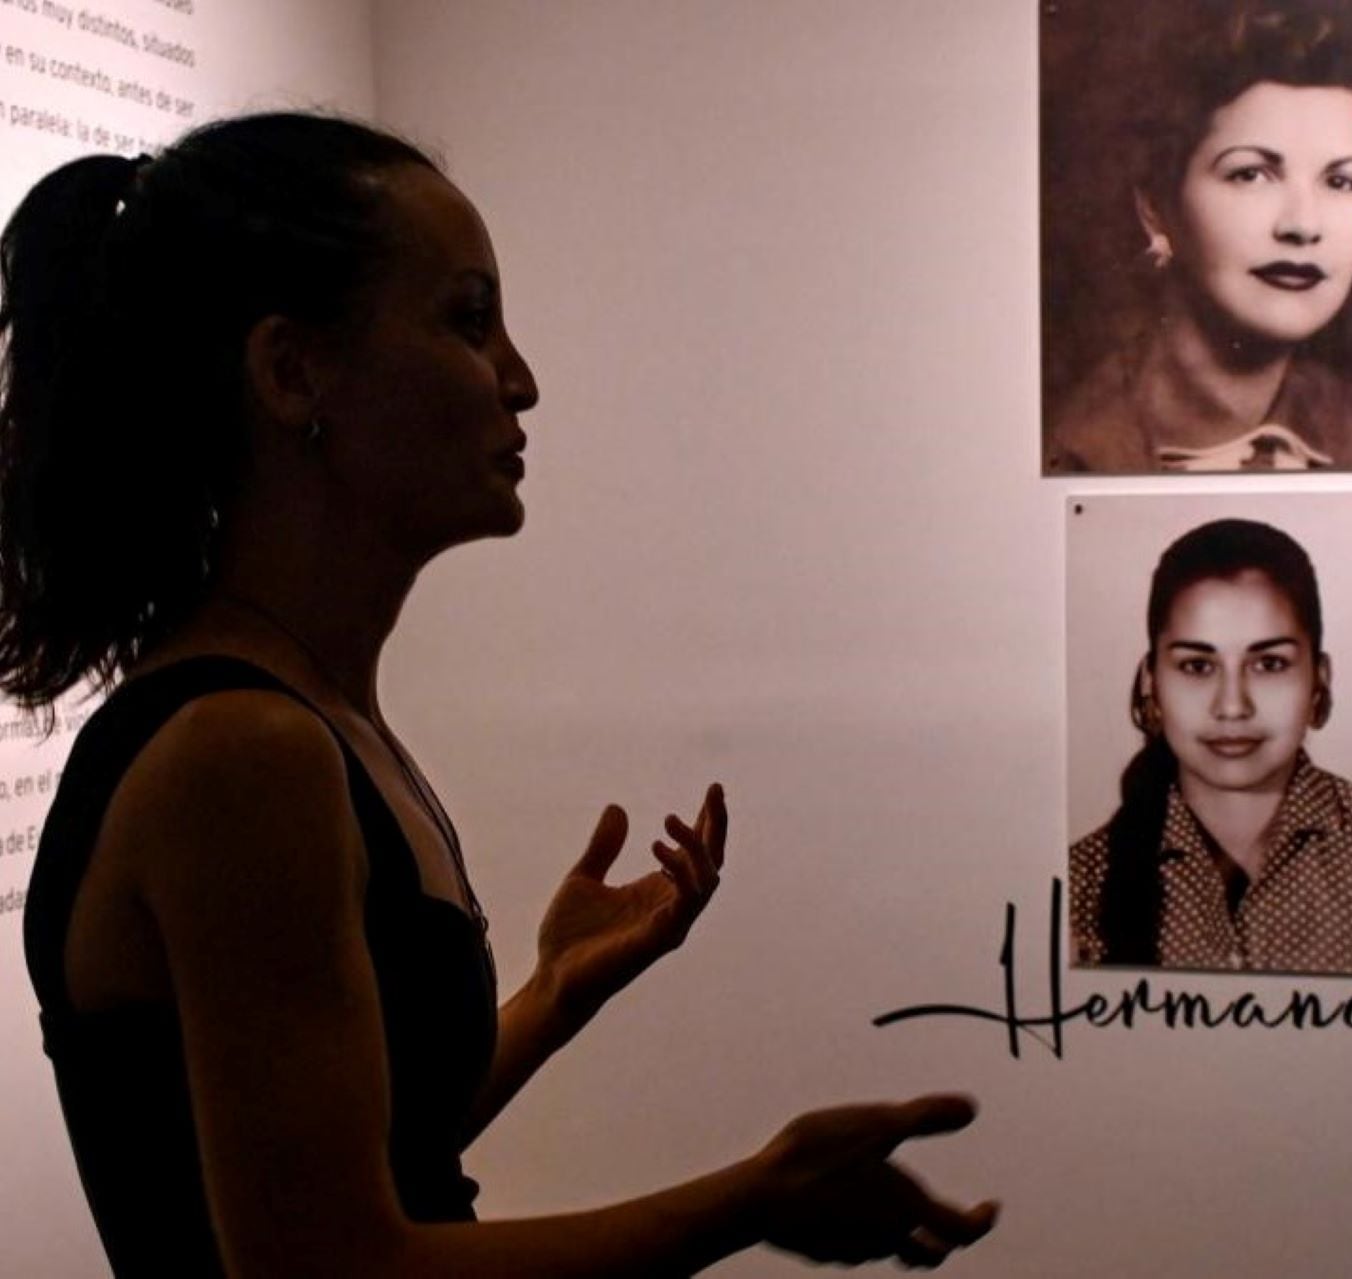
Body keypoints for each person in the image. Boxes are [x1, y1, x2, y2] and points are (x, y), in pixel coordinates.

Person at [1, 113, 995, 1275]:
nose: (521, 381)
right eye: (470, 322)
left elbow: (352, 1153)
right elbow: (333, 1267)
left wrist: (557, 991)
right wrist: (752, 1197)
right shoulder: (241, 751)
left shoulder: (309, 716)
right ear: (292, 372)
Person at [1069, 518, 1352, 976]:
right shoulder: (1078, 882)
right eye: (1196, 665)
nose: (1232, 706)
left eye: (1269, 663)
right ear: (1151, 682)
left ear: (1319, 679)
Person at [1043, 5, 1352, 474]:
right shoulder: (1078, 449)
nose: (1303, 224)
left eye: (1339, 181)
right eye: (1251, 174)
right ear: (1156, 208)